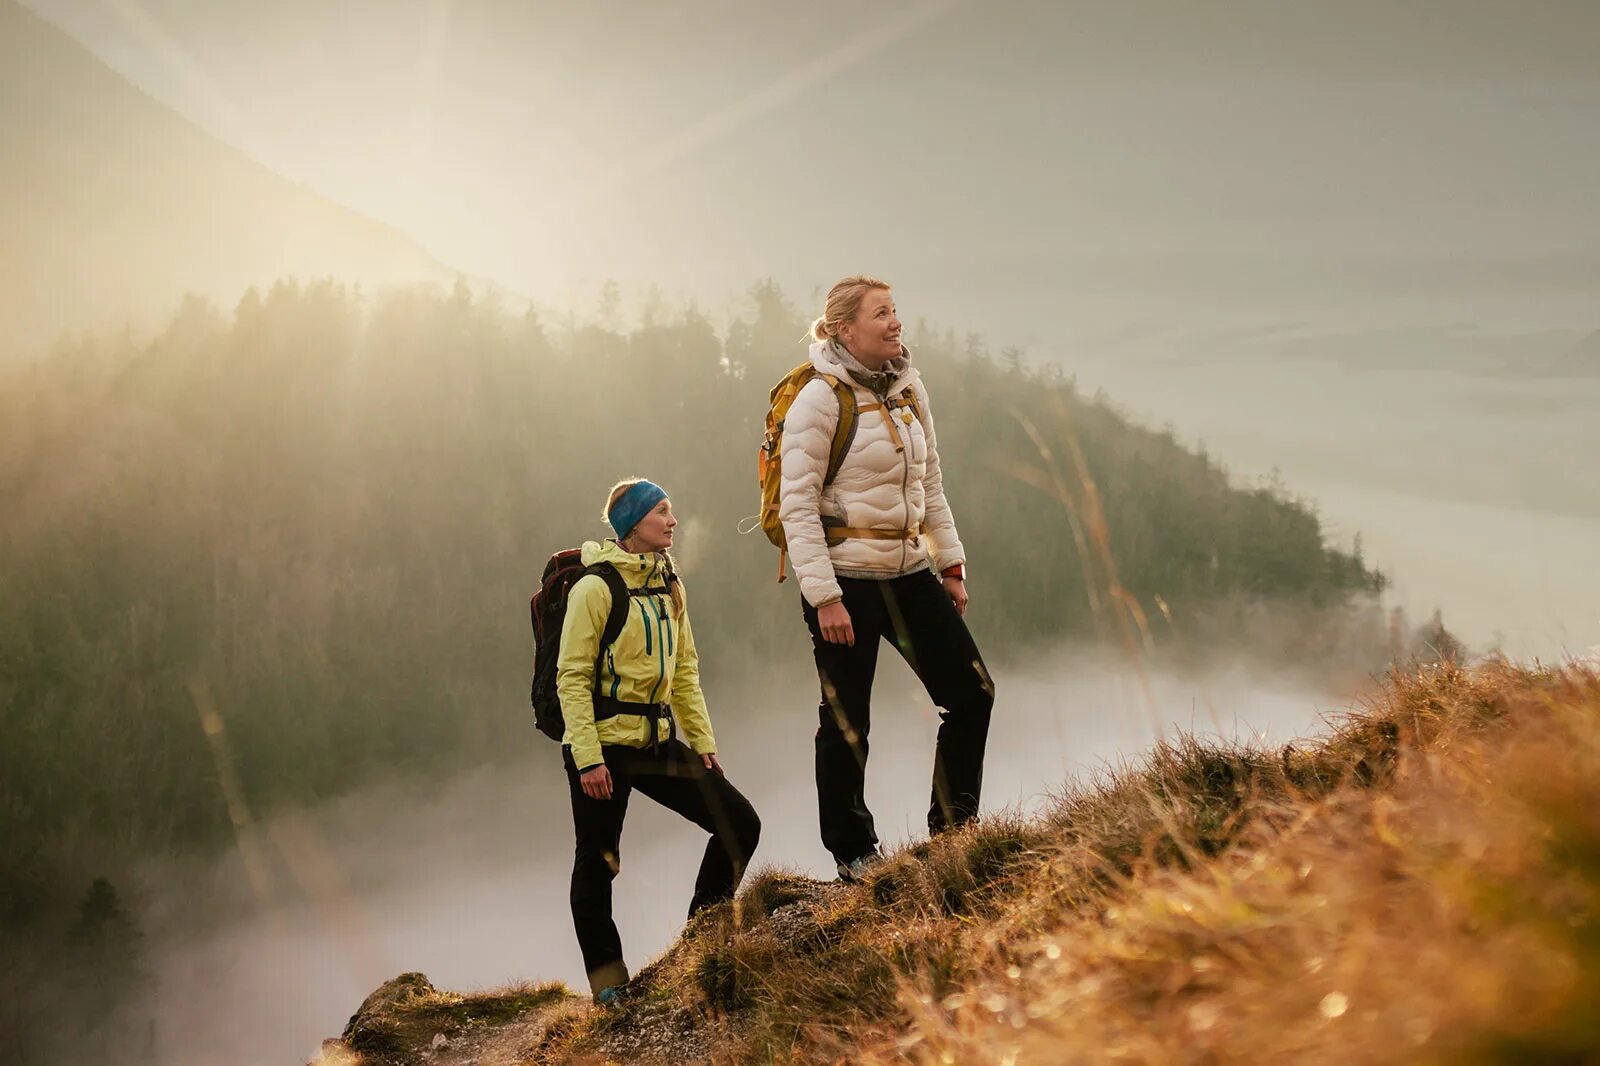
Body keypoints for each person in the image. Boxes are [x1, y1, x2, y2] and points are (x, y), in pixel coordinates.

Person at [779, 275, 995, 882]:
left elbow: (930, 486)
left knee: (972, 694)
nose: (895, 322)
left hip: (910, 573)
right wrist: (824, 598)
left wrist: (949, 565)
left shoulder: (907, 390)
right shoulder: (819, 400)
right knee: (848, 722)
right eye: (881, 313)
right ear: (845, 329)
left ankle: (954, 831)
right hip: (845, 583)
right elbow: (797, 507)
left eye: (896, 310)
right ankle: (853, 851)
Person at [558, 477, 761, 1001]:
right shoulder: (594, 589)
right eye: (662, 511)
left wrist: (704, 742)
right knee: (598, 862)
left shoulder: (670, 581)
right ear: (633, 523)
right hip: (601, 748)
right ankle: (609, 987)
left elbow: (686, 670)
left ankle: (701, 938)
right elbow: (572, 678)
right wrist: (587, 761)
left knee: (739, 823)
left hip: (656, 741)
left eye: (672, 510)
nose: (672, 520)